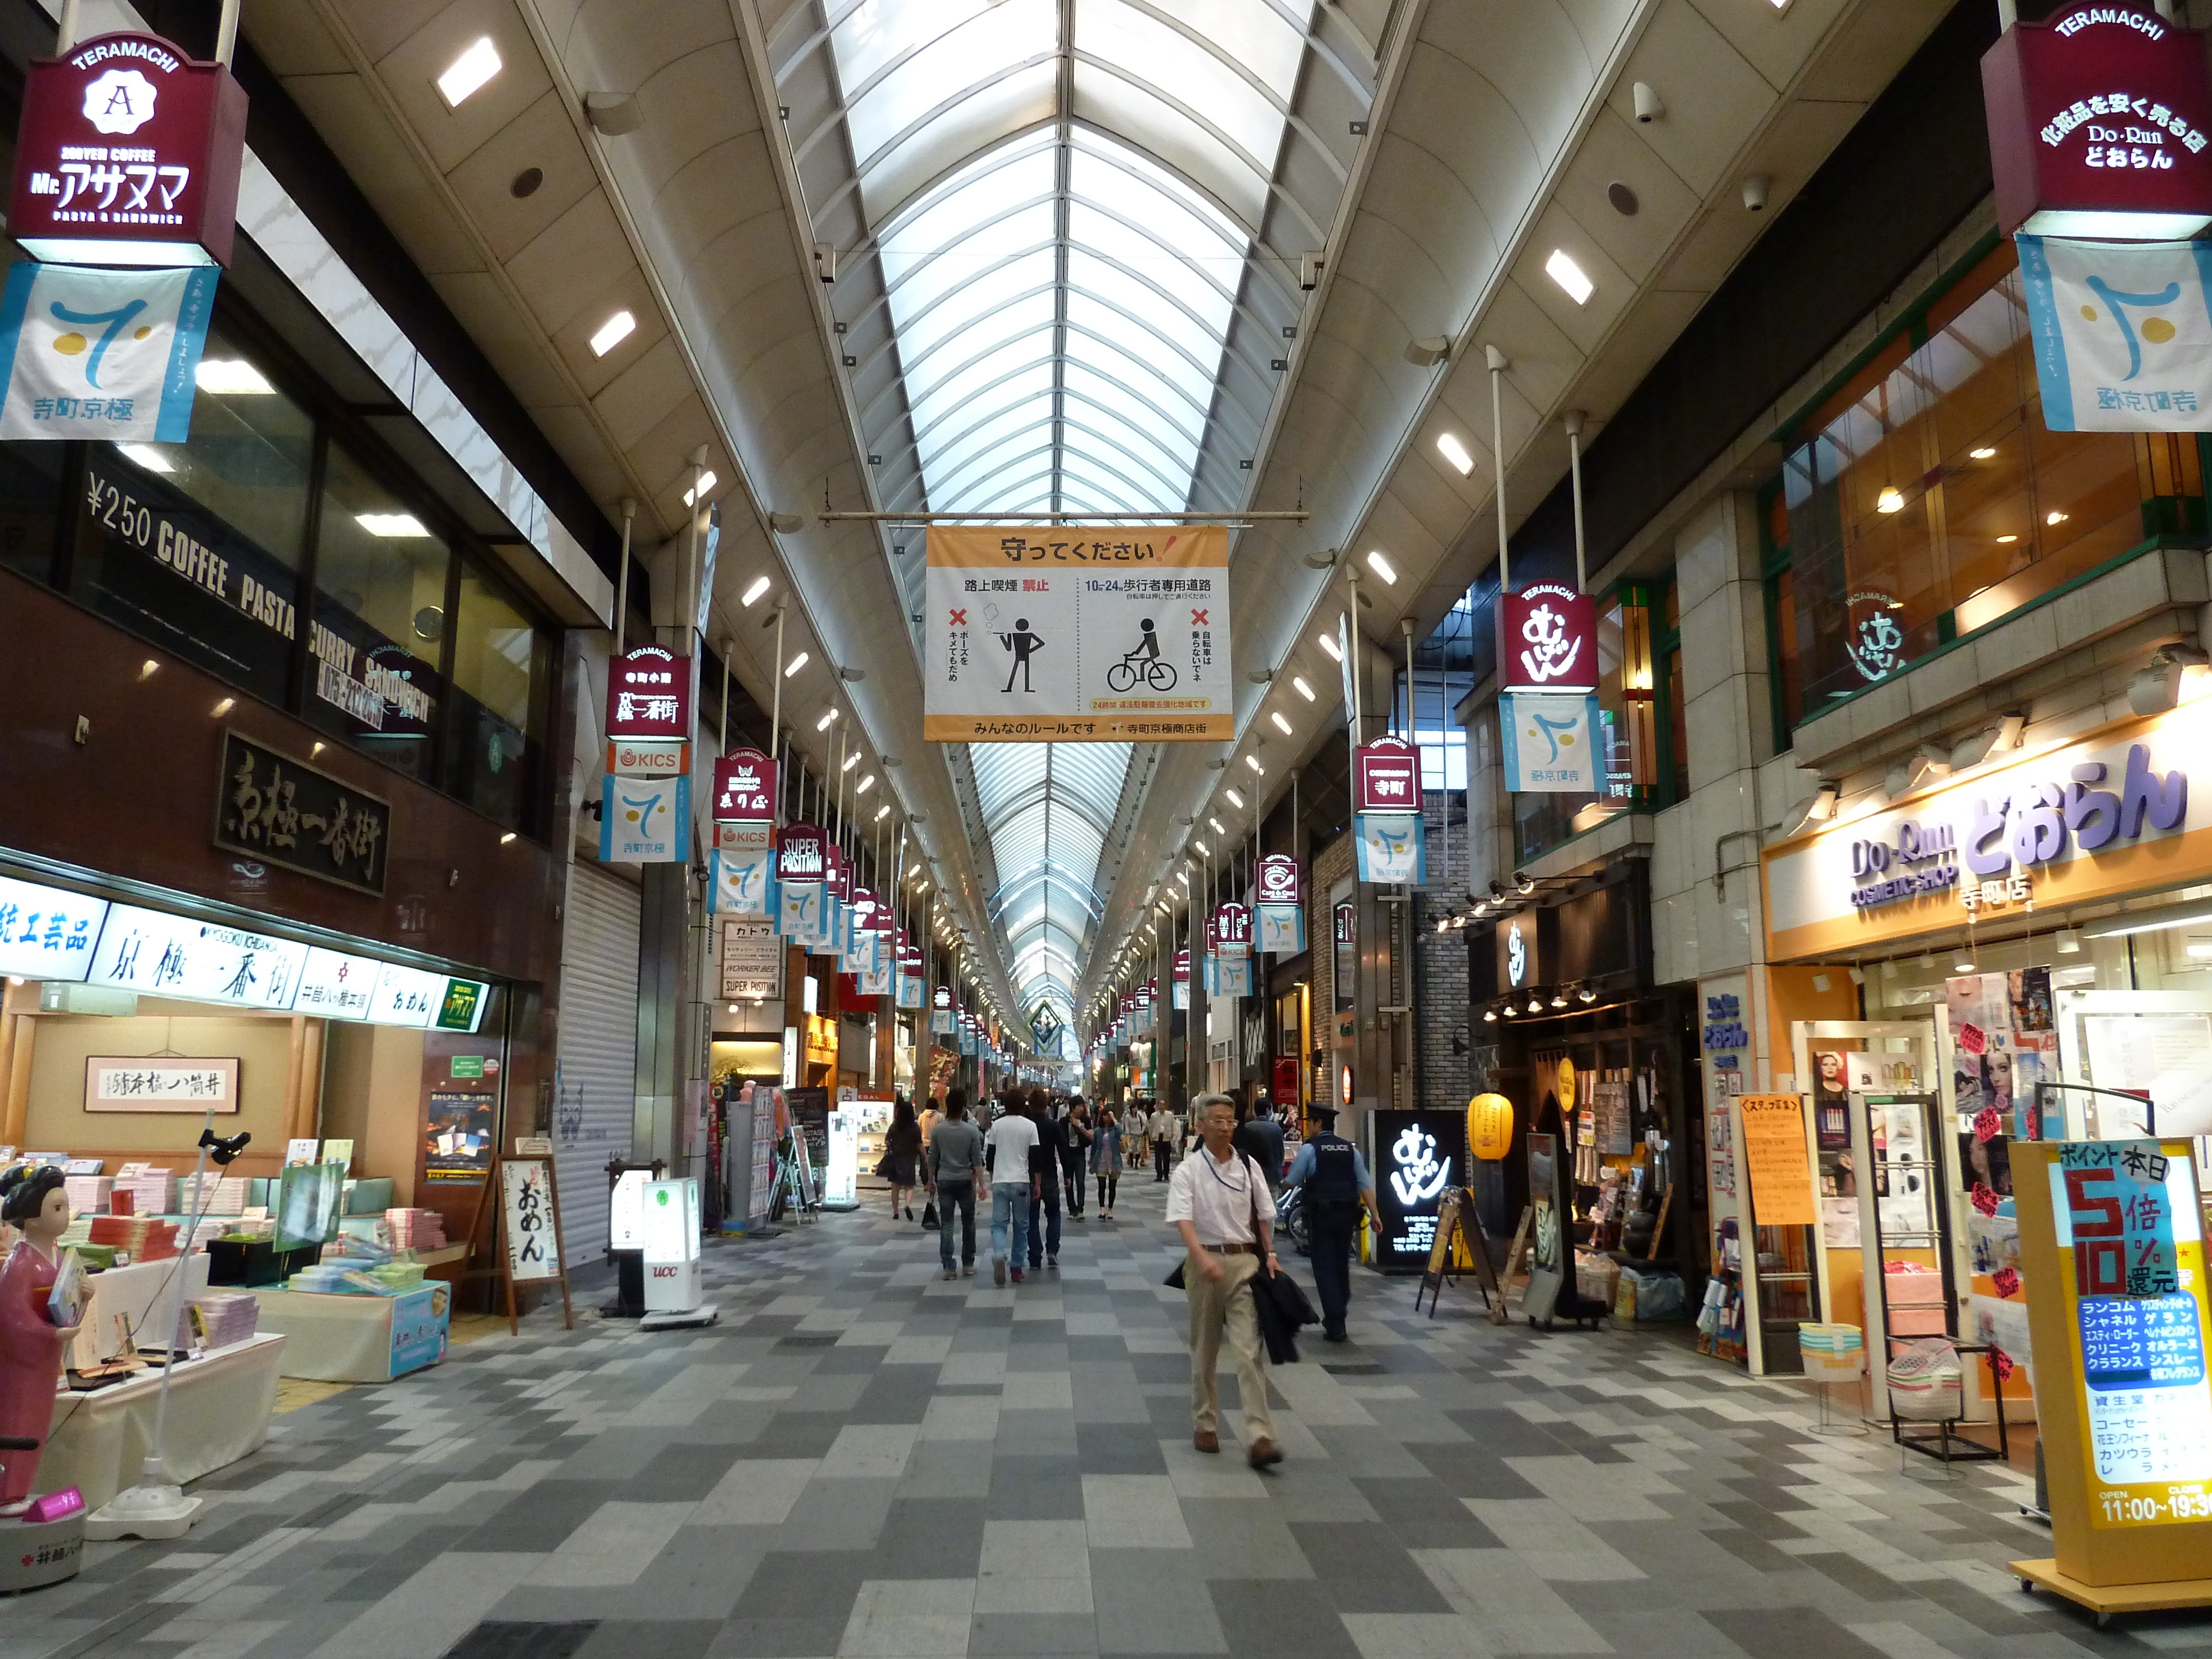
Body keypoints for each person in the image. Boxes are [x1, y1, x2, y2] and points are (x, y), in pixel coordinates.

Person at [1166, 1093, 1282, 1468]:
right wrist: (1200, 1258)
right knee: (1206, 1348)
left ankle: (1260, 1435)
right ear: (1199, 1126)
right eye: (1217, 1120)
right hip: (1205, 1264)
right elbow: (1183, 1220)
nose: (1225, 1126)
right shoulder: (1189, 1171)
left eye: (1230, 1120)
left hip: (1244, 1261)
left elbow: (1265, 1214)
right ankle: (1205, 1422)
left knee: (1249, 1349)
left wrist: (1271, 1253)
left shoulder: (1248, 1166)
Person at [1281, 1105, 1378, 1343]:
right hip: (1348, 1217)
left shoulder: (1309, 1150)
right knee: (1341, 1264)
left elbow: (1291, 1182)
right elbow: (1365, 1184)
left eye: (1310, 1122)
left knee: (1324, 1267)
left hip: (1321, 1216)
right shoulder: (1350, 1151)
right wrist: (1376, 1215)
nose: (1307, 1127)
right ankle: (1339, 1311)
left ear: (1319, 1124)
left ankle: (1336, 1320)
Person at [928, 1092, 986, 1279]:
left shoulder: (938, 1130)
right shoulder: (971, 1132)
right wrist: (982, 1185)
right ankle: (968, 1264)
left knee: (947, 1224)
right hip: (965, 1181)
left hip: (944, 1180)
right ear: (963, 1109)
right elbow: (977, 1161)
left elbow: (932, 1160)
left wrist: (930, 1182)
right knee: (969, 1223)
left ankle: (948, 1267)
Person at [984, 1093, 1040, 1285]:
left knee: (998, 1224)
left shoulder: (997, 1126)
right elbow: (1035, 1159)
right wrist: (1037, 1183)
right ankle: (1016, 1268)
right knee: (1021, 1225)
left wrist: (992, 1179)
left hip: (1000, 1180)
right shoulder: (1030, 1126)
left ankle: (999, 1254)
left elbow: (990, 1157)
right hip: (1021, 1181)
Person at [1026, 1088, 1064, 1271]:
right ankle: (1052, 1250)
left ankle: (1034, 1254)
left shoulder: (1026, 1125)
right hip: (1050, 1175)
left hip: (1029, 1175)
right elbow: (1063, 1150)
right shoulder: (1053, 1126)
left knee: (1031, 1217)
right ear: (1047, 1104)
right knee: (1054, 1213)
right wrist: (1069, 1175)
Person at [882, 1095, 923, 1222]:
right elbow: (919, 1145)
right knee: (909, 1185)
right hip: (910, 1158)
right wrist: (925, 1158)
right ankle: (908, 1205)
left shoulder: (894, 1126)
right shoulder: (915, 1128)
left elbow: (887, 1141)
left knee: (895, 1186)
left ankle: (895, 1211)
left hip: (896, 1158)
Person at [1233, 1097, 1286, 1189]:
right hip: (1272, 1177)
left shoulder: (1248, 1127)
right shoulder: (1276, 1128)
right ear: (1268, 1110)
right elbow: (1281, 1153)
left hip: (1253, 1178)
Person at [1090, 1100, 1123, 1219]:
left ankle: (1110, 1209)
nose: (1106, 1118)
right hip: (1101, 1160)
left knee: (1113, 1187)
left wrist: (1114, 1119)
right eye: (1105, 1115)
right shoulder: (1098, 1131)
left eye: (1109, 1115)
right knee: (1102, 1185)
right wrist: (1091, 1159)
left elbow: (1121, 1131)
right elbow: (1094, 1146)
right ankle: (1102, 1209)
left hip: (1114, 1160)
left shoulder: (1115, 1130)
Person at [1061, 1099, 1092, 1220]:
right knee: (1068, 1183)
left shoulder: (1085, 1120)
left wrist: (1081, 1126)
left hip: (1080, 1153)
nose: (1081, 1109)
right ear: (1073, 1107)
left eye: (1082, 1106)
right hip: (1068, 1154)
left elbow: (1091, 1137)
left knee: (1080, 1182)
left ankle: (1080, 1209)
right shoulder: (1064, 1121)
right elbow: (1060, 1139)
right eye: (1079, 1106)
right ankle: (1072, 1209)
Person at [1147, 1098, 1178, 1181]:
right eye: (1160, 1104)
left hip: (1166, 1138)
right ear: (1158, 1106)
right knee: (1158, 1158)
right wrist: (1151, 1137)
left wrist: (1174, 1136)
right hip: (1157, 1138)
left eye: (1163, 1104)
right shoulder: (1154, 1116)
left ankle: (1166, 1174)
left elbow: (1174, 1125)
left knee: (1166, 1158)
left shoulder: (1170, 1115)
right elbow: (1152, 1127)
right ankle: (1159, 1175)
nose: (1162, 1106)